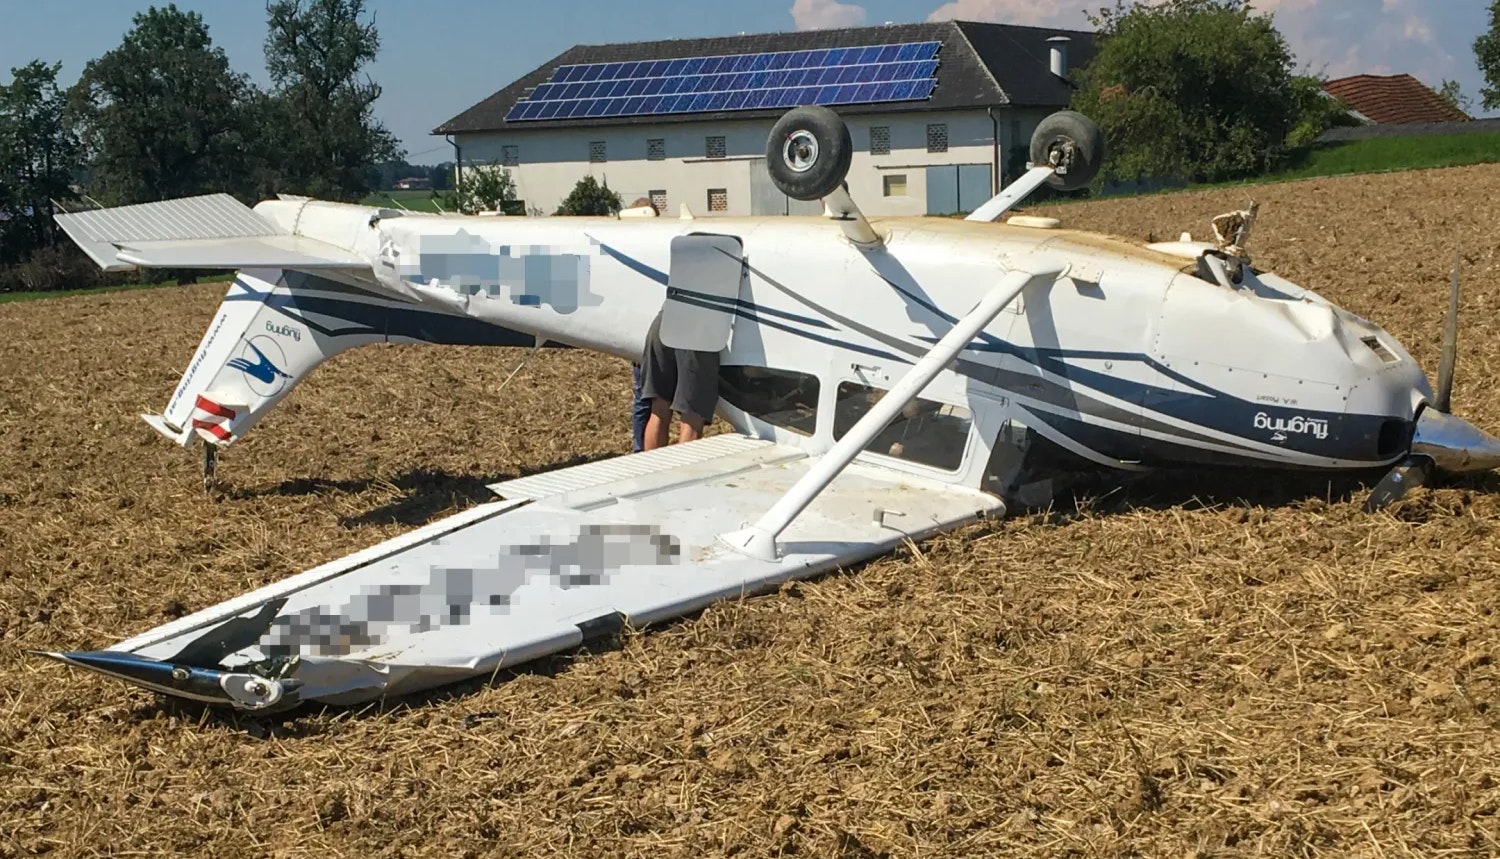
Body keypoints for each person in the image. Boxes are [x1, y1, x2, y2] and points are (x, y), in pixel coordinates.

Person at [639, 311, 720, 450]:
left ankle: (653, 470)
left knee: (658, 411)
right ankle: (681, 471)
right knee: (692, 419)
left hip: (665, 319)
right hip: (699, 325)